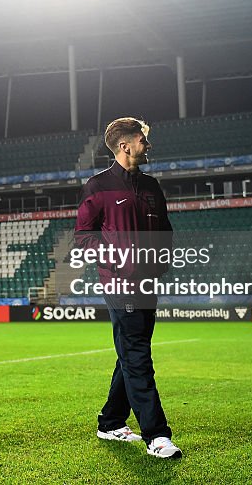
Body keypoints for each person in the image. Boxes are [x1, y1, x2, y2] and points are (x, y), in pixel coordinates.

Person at [75, 117, 182, 460]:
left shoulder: (152, 186)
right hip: (119, 284)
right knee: (137, 354)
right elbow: (84, 235)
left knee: (131, 351)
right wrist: (117, 259)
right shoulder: (98, 185)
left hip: (148, 282)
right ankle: (157, 435)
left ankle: (110, 422)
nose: (147, 146)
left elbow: (165, 229)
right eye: (142, 140)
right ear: (125, 145)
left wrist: (160, 260)